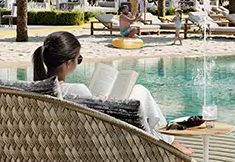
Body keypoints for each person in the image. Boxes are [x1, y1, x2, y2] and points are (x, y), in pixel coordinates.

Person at [32, 31, 192, 154]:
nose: (79, 62)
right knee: (140, 91)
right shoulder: (76, 89)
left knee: (138, 94)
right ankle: (170, 143)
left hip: (70, 142)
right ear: (68, 63)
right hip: (104, 142)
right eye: (78, 59)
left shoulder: (38, 90)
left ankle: (170, 141)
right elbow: (98, 120)